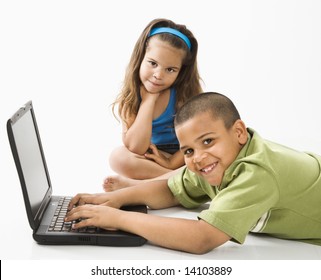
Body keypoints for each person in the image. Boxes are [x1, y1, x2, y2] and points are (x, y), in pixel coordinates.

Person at [66, 92, 321, 254]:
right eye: (187, 150)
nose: (198, 157)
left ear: (239, 132)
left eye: (208, 141)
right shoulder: (219, 160)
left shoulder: (257, 173)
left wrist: (118, 219)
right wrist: (117, 200)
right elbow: (172, 189)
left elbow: (202, 238)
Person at [103, 18, 203, 191]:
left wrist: (173, 162)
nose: (158, 75)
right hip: (154, 156)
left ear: (180, 72)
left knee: (206, 160)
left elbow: (198, 139)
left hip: (185, 156)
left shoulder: (185, 96)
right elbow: (136, 147)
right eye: (153, 63)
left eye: (170, 69)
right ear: (141, 57)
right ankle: (177, 180)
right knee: (117, 157)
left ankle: (143, 185)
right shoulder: (131, 98)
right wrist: (149, 101)